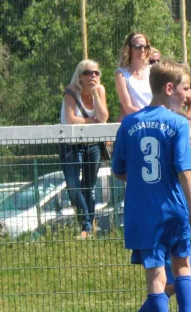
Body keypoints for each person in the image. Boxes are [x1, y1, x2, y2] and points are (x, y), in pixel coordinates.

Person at [112, 59, 191, 312]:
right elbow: (183, 169)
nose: (187, 95)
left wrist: (143, 183)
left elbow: (119, 171)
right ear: (169, 88)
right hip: (175, 209)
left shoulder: (128, 124)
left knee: (155, 278)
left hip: (143, 214)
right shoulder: (178, 123)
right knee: (183, 268)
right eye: (185, 88)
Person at [60, 59, 109, 239]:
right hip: (70, 144)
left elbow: (103, 117)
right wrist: (92, 121)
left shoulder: (100, 90)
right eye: (88, 73)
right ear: (80, 76)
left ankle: (87, 228)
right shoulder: (71, 90)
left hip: (93, 143)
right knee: (73, 186)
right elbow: (71, 118)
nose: (93, 76)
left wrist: (96, 95)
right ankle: (87, 224)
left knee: (88, 186)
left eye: (96, 73)